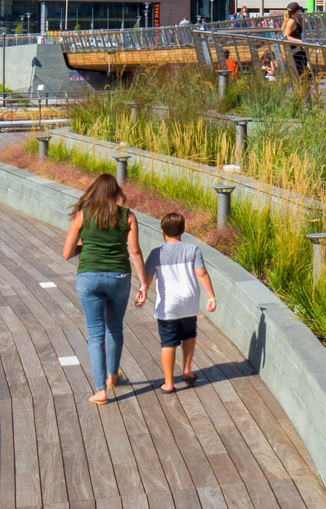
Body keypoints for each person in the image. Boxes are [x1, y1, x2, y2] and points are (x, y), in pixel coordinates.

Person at [60, 172, 141, 405]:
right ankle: (113, 375)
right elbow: (134, 252)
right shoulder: (128, 216)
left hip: (89, 278)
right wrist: (144, 283)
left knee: (95, 333)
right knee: (114, 327)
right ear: (116, 193)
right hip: (119, 276)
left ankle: (100, 390)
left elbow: (66, 254)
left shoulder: (82, 216)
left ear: (94, 191)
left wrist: (84, 245)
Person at [142, 210, 218, 393]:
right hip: (189, 303)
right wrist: (211, 296)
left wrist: (143, 291)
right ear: (182, 230)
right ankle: (187, 369)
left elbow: (148, 278)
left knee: (168, 341)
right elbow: (201, 273)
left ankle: (169, 382)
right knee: (189, 334)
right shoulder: (193, 250)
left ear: (162, 231)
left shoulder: (155, 254)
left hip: (168, 306)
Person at [281, 3, 308, 76]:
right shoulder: (291, 22)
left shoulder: (294, 20)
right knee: (300, 73)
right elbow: (286, 36)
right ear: (296, 11)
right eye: (299, 10)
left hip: (299, 51)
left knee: (303, 72)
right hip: (296, 51)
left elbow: (299, 33)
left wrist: (301, 22)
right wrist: (300, 41)